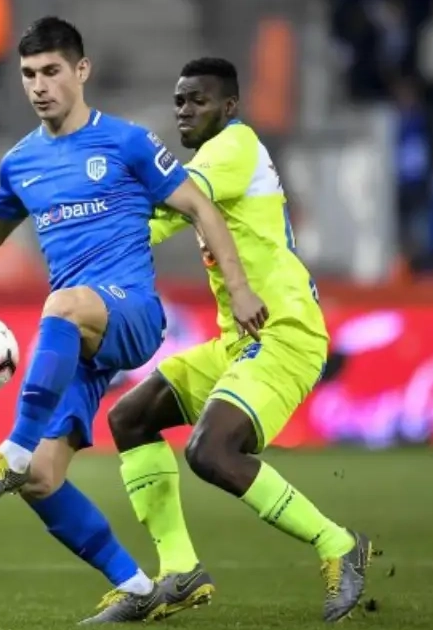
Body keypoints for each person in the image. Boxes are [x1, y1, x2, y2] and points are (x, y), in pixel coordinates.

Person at [0, 18, 267, 621]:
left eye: (51, 71)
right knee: (42, 480)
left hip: (132, 312)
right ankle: (134, 585)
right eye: (28, 74)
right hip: (81, 337)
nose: (39, 85)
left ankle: (12, 449)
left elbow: (200, 207)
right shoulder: (20, 162)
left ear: (81, 71)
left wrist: (239, 289)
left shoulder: (127, 142)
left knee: (59, 306)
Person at [95, 58, 371, 624]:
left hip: (283, 331)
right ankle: (180, 572)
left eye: (198, 100)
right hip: (238, 339)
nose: (184, 110)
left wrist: (90, 197)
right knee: (131, 418)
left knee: (211, 452)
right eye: (179, 101)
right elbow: (153, 224)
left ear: (229, 107)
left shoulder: (234, 148)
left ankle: (338, 544)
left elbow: (163, 202)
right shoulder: (208, 168)